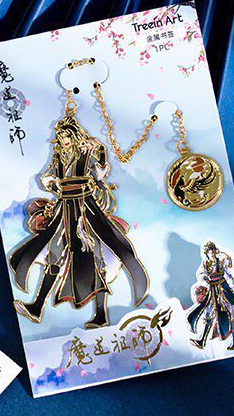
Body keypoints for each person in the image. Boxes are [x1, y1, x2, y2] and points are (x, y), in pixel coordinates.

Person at [9, 113, 148, 329]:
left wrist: (101, 153)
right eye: (60, 136)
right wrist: (54, 184)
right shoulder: (59, 157)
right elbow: (46, 178)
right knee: (54, 253)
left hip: (85, 208)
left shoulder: (86, 153)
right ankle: (36, 307)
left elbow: (100, 173)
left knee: (95, 257)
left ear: (73, 136)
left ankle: (101, 315)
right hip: (63, 208)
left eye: (66, 136)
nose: (63, 140)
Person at [187, 241, 234, 350]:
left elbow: (228, 272)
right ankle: (202, 341)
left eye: (212, 251)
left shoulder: (221, 261)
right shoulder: (206, 263)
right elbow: (201, 273)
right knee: (208, 313)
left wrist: (231, 284)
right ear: (206, 253)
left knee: (231, 313)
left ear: (215, 251)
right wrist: (204, 277)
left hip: (223, 289)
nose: (211, 254)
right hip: (212, 290)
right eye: (209, 252)